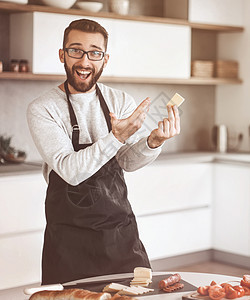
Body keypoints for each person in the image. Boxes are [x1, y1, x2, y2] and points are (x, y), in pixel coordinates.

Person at [27, 18, 181, 285]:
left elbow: (126, 162)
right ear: (62, 54)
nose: (85, 61)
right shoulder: (43, 109)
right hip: (68, 242)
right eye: (76, 50)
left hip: (119, 234)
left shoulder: (120, 101)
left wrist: (152, 142)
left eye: (94, 53)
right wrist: (116, 136)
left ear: (104, 59)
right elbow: (70, 171)